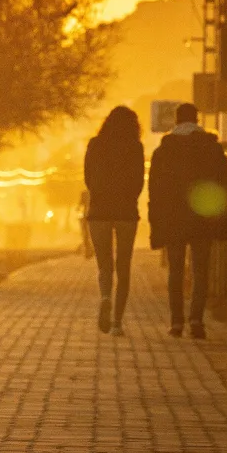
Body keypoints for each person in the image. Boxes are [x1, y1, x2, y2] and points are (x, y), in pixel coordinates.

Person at [147, 103, 227, 339]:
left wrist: (155, 223)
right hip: (202, 217)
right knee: (201, 270)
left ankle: (176, 322)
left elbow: (154, 191)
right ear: (197, 120)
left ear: (175, 121)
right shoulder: (212, 149)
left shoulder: (163, 152)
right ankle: (196, 320)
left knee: (175, 271)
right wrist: (224, 218)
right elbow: (226, 183)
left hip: (173, 219)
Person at [82, 105, 144, 334]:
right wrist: (129, 199)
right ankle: (117, 322)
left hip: (99, 211)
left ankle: (105, 296)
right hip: (126, 212)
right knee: (124, 265)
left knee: (104, 265)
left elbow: (88, 177)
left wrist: (98, 196)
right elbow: (139, 181)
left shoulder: (95, 145)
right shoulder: (135, 147)